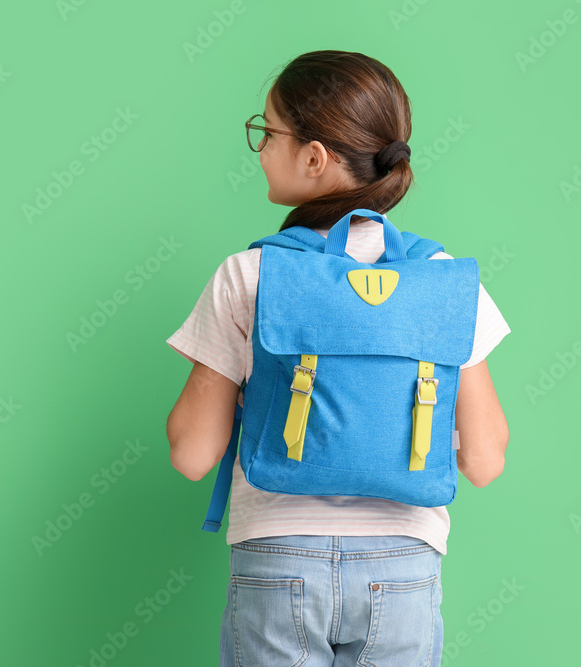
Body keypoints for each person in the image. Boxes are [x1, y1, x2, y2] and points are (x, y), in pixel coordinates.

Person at [165, 50, 511, 667]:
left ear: (314, 157)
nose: (261, 149)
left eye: (267, 133)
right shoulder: (443, 282)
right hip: (404, 566)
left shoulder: (251, 275)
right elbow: (484, 460)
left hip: (276, 560)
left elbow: (192, 455)